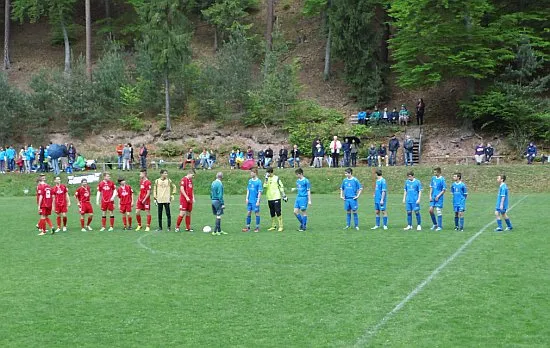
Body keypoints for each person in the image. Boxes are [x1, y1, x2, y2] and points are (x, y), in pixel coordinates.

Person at [264, 167, 287, 232]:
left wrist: (284, 195)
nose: (267, 174)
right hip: (269, 197)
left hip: (276, 197)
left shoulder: (276, 178)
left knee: (278, 211)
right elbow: (265, 186)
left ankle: (281, 226)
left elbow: (281, 186)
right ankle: (273, 225)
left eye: (268, 173)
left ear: (271, 172)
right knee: (272, 212)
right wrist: (266, 179)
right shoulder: (267, 178)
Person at [242, 168, 263, 232]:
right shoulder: (250, 181)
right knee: (248, 212)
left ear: (255, 173)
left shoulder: (259, 181)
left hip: (255, 200)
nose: (250, 174)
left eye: (252, 172)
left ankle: (257, 227)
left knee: (256, 213)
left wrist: (258, 200)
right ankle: (248, 227)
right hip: (250, 200)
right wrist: (246, 198)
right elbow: (248, 190)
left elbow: (260, 192)